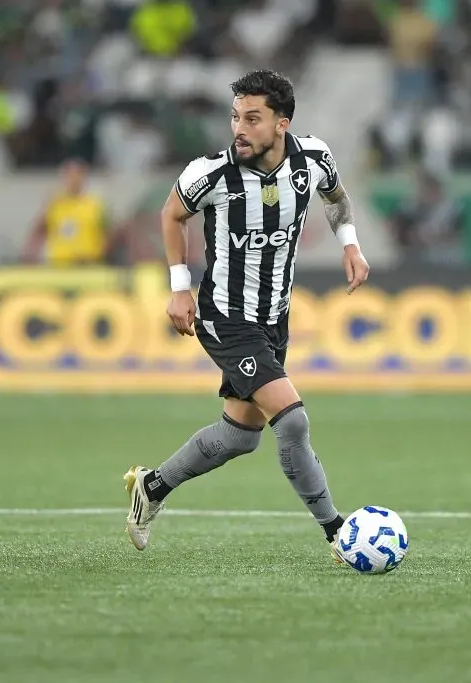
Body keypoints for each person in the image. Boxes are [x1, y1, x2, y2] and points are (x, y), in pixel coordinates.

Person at [123, 70, 370, 564]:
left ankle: (151, 487)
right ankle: (338, 534)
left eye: (252, 119)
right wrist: (178, 288)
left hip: (274, 318)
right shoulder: (210, 173)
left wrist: (351, 245)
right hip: (225, 317)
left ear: (282, 123)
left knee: (239, 436)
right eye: (235, 116)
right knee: (293, 421)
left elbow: (336, 198)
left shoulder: (313, 158)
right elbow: (171, 214)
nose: (239, 128)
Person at [23, 158, 111, 266]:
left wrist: (99, 255)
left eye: (77, 176)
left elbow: (107, 235)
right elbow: (39, 232)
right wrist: (29, 257)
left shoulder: (96, 204)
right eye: (69, 176)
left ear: (84, 178)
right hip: (60, 266)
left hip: (88, 265)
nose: (73, 180)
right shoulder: (55, 204)